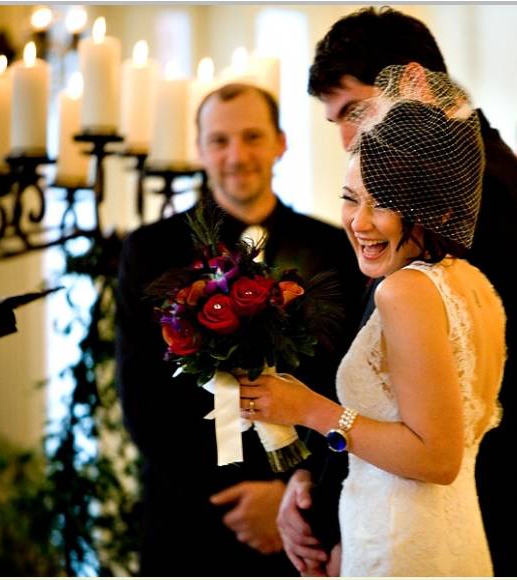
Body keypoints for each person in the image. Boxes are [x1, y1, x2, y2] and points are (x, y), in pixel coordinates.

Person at [278, 8, 517, 576]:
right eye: (336, 122)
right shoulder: (477, 177)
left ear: (413, 82)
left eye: (354, 111)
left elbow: (430, 407)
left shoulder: (470, 200)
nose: (348, 137)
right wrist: (312, 478)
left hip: (437, 517)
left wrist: (331, 522)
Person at [239, 64, 506, 576]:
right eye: (350, 198)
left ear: (433, 208)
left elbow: (437, 457)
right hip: (452, 540)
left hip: (400, 544)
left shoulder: (406, 290)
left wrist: (309, 409)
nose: (359, 222)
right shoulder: (472, 284)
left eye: (382, 203)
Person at [115, 83, 363, 576]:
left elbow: (350, 382)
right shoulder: (149, 250)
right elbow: (141, 394)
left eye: (252, 137)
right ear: (200, 149)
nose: (236, 155)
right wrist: (228, 498)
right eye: (220, 140)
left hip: (305, 516)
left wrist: (294, 488)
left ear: (280, 143)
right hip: (187, 516)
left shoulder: (337, 250)